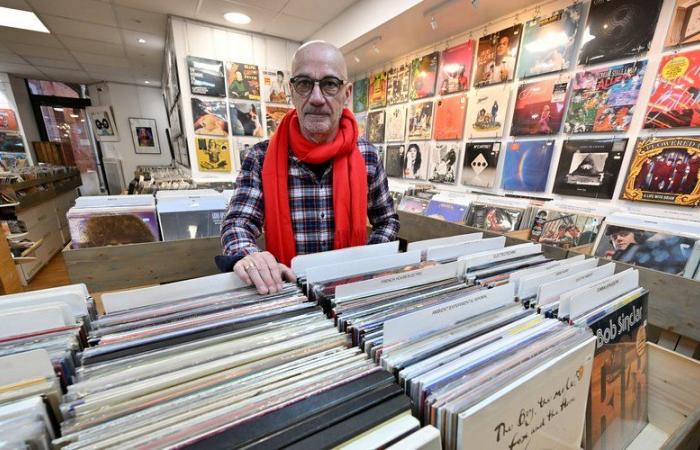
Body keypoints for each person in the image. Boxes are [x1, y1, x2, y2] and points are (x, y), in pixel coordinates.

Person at [219, 41, 400, 294]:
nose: (316, 98)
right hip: (286, 292)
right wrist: (250, 256)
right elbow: (237, 223)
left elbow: (387, 221)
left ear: (346, 93)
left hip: (350, 294)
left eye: (329, 84)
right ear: (292, 92)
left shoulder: (367, 155)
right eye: (304, 83)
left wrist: (366, 261)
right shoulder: (261, 157)